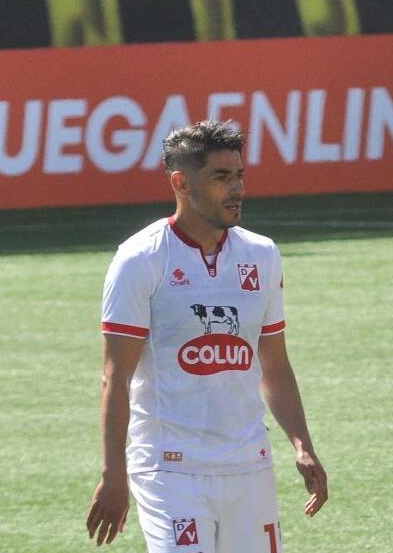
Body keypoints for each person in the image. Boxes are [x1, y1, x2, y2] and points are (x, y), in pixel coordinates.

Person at [86, 120, 328, 552]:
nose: (237, 189)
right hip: (170, 468)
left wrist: (302, 444)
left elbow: (273, 364)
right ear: (181, 183)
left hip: (249, 465)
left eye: (239, 175)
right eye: (220, 177)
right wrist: (113, 473)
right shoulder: (140, 259)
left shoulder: (262, 254)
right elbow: (115, 377)